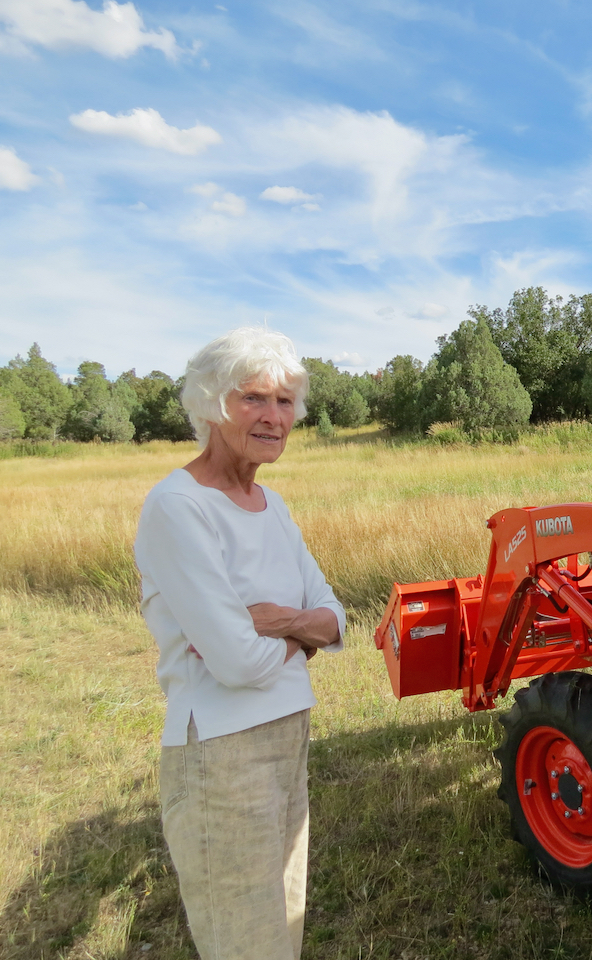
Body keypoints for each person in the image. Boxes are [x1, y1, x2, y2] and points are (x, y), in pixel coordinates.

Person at [134, 327, 345, 960]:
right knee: (246, 942)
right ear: (210, 405)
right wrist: (301, 633)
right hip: (221, 753)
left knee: (285, 922)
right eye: (253, 398)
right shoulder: (178, 506)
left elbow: (336, 620)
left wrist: (277, 621)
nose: (273, 416)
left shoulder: (272, 505)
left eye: (284, 402)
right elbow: (236, 662)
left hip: (290, 734)